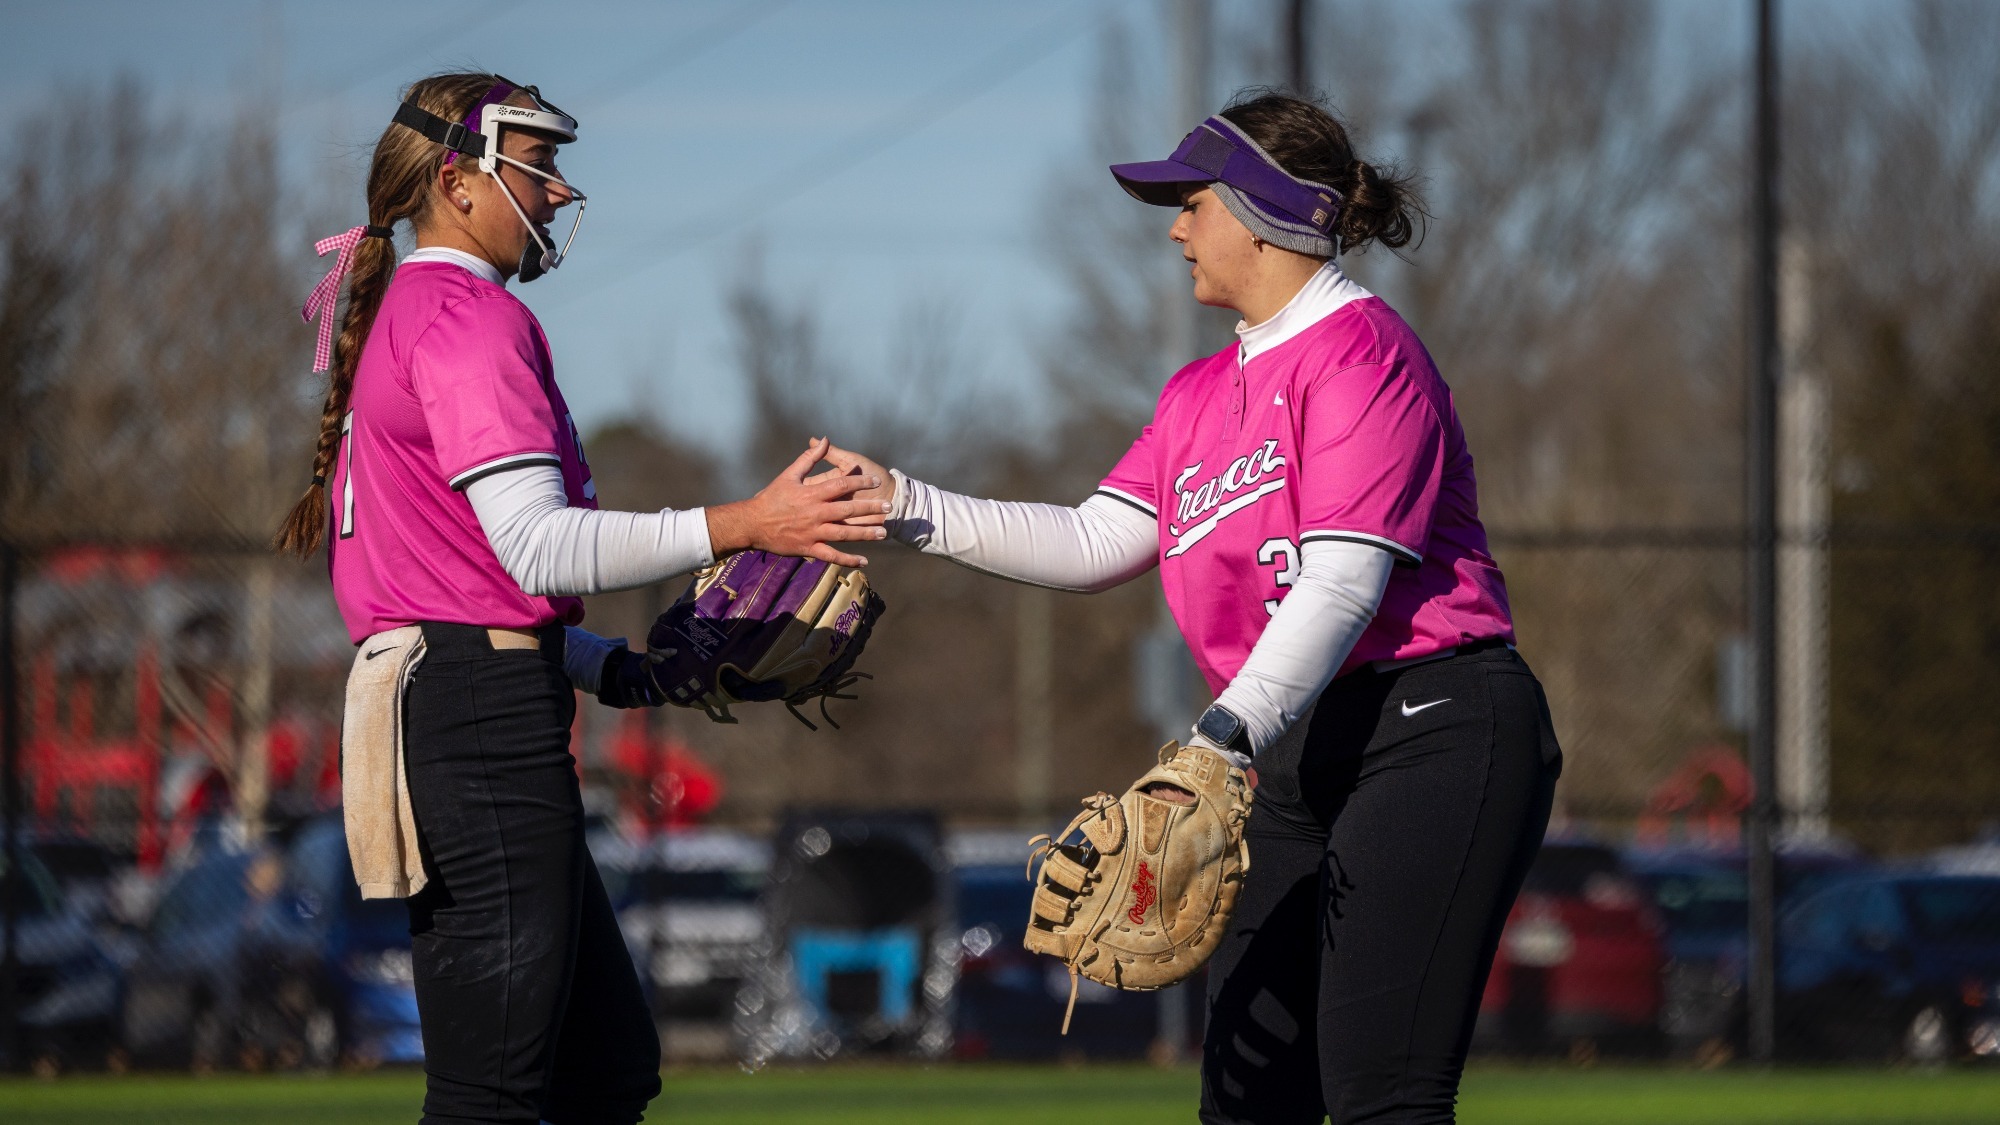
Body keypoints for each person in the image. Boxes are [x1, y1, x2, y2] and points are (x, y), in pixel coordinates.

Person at [827, 90, 1561, 1124]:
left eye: (1192, 201)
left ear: (1262, 209)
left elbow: (1344, 581)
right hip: (1286, 747)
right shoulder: (1196, 394)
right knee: (1246, 1098)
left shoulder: (1364, 356)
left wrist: (1218, 742)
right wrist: (900, 505)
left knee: (1378, 1095)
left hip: (1430, 726)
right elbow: (1093, 542)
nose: (1174, 227)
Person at [274, 72, 888, 1125]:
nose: (560, 191)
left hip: (459, 699)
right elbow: (539, 549)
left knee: (603, 1066)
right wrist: (748, 524)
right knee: (492, 1094)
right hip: (475, 723)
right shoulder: (468, 318)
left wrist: (614, 666)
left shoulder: (411, 310)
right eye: (540, 163)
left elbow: (463, 585)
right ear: (459, 182)